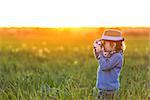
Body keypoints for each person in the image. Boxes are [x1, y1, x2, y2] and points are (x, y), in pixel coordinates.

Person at [93, 29, 126, 99]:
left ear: (113, 44)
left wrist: (99, 54)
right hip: (102, 89)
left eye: (104, 43)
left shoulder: (117, 56)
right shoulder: (110, 54)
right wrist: (97, 50)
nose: (103, 45)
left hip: (109, 90)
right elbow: (100, 59)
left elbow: (104, 66)